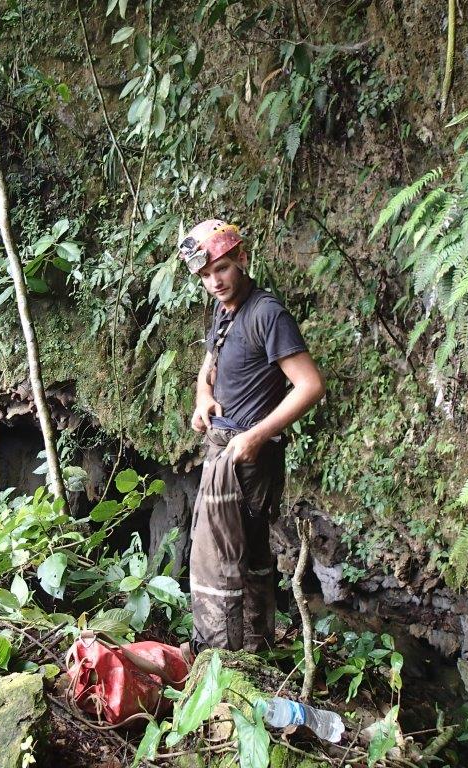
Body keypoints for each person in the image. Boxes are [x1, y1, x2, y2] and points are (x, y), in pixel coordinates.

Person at [181, 219, 325, 655]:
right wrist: (204, 398)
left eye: (221, 269)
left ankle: (225, 658)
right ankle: (248, 649)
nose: (215, 282)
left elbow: (310, 386)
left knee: (224, 559)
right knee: (238, 555)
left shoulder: (267, 314)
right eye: (206, 275)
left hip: (248, 458)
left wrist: (257, 437)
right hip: (223, 448)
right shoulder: (224, 310)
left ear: (242, 259)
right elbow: (209, 365)